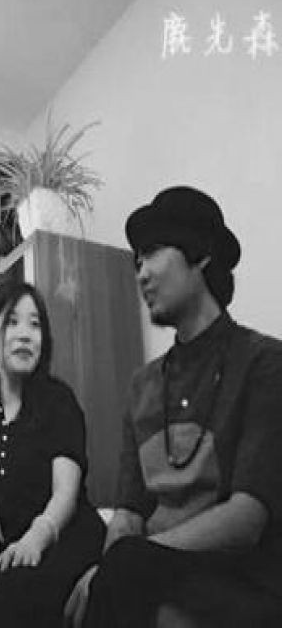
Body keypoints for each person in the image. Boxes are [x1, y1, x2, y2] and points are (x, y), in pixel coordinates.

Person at [65, 186, 282, 627]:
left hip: (240, 579)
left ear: (200, 254)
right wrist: (108, 567)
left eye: (151, 254)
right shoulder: (142, 386)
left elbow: (247, 517)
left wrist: (130, 561)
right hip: (150, 571)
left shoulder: (264, 363)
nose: (140, 274)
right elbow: (128, 512)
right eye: (136, 262)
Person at [0, 281, 105, 628]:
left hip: (64, 535)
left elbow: (66, 492)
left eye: (35, 324)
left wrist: (36, 538)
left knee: (6, 598)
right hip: (10, 540)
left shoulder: (58, 401)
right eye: (12, 322)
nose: (25, 334)